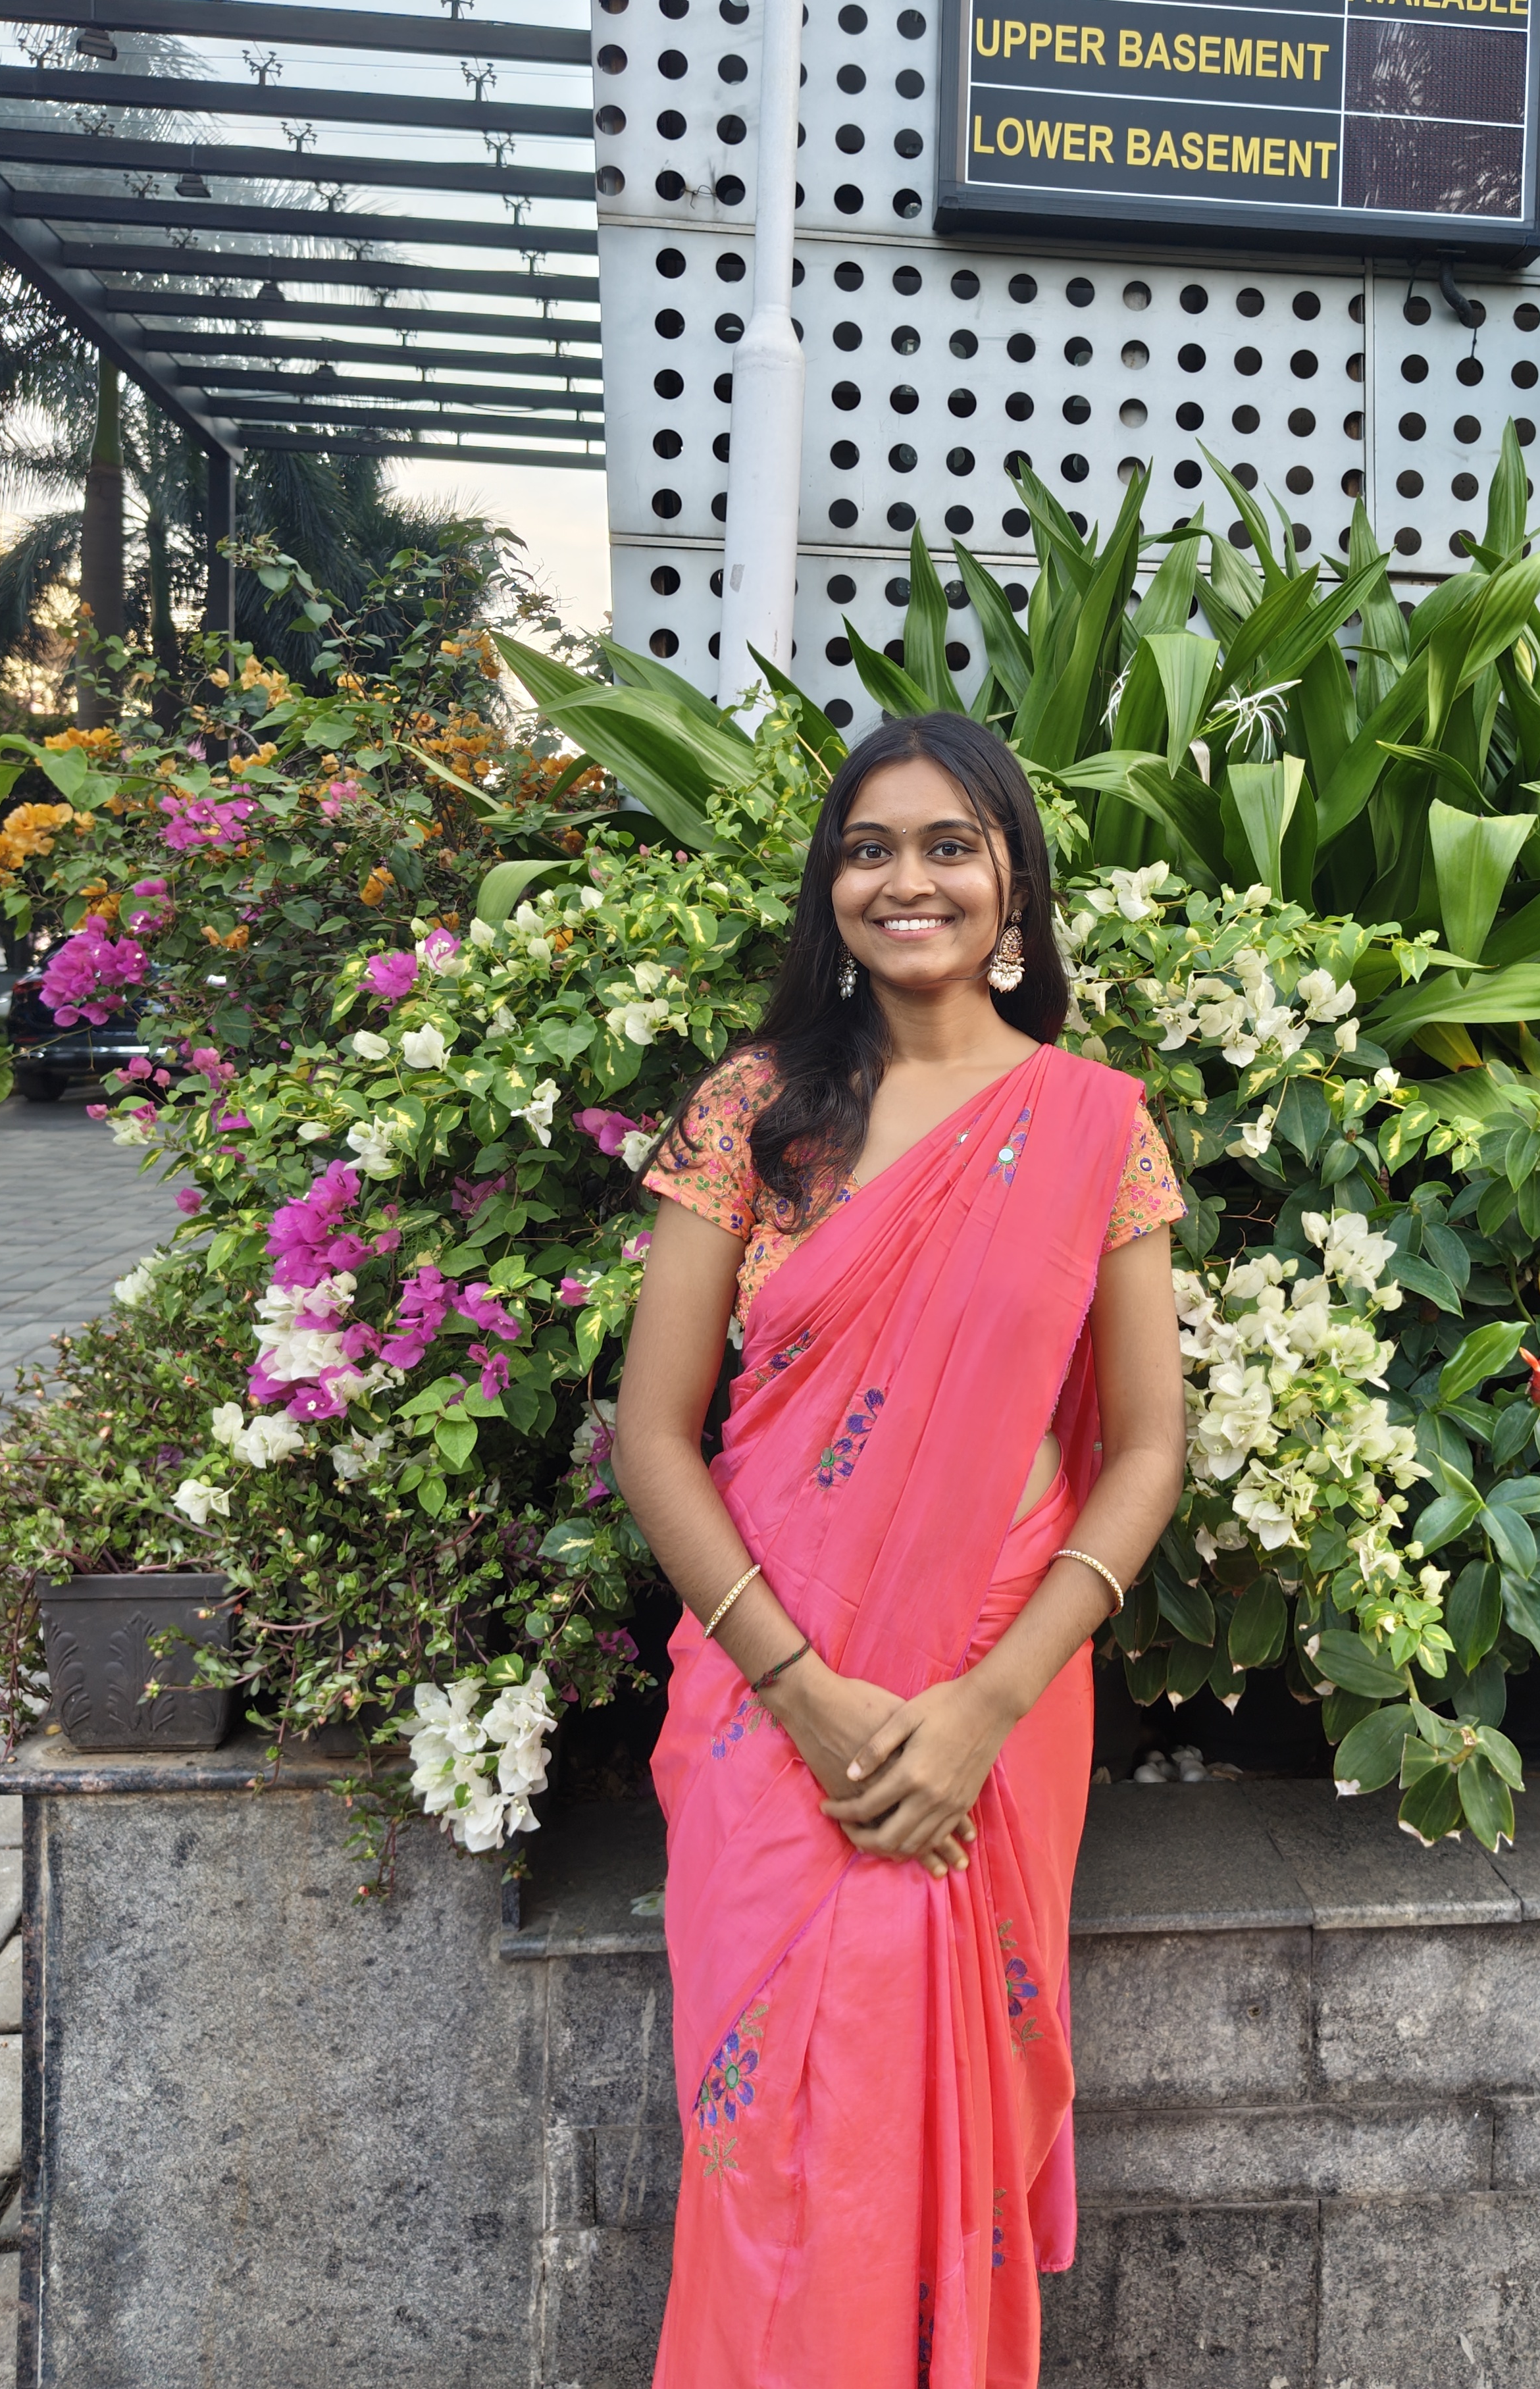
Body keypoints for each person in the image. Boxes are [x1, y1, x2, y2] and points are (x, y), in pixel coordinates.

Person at [615, 709, 1188, 2388]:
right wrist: (801, 1693)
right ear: (831, 886)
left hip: (994, 1697)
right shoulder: (754, 1112)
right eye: (869, 848)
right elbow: (653, 1436)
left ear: (1013, 882)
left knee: (936, 2133)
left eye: (949, 844)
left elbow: (1147, 1449)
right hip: (767, 1696)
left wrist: (983, 1709)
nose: (906, 878)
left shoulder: (1095, 1126)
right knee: (768, 2150)